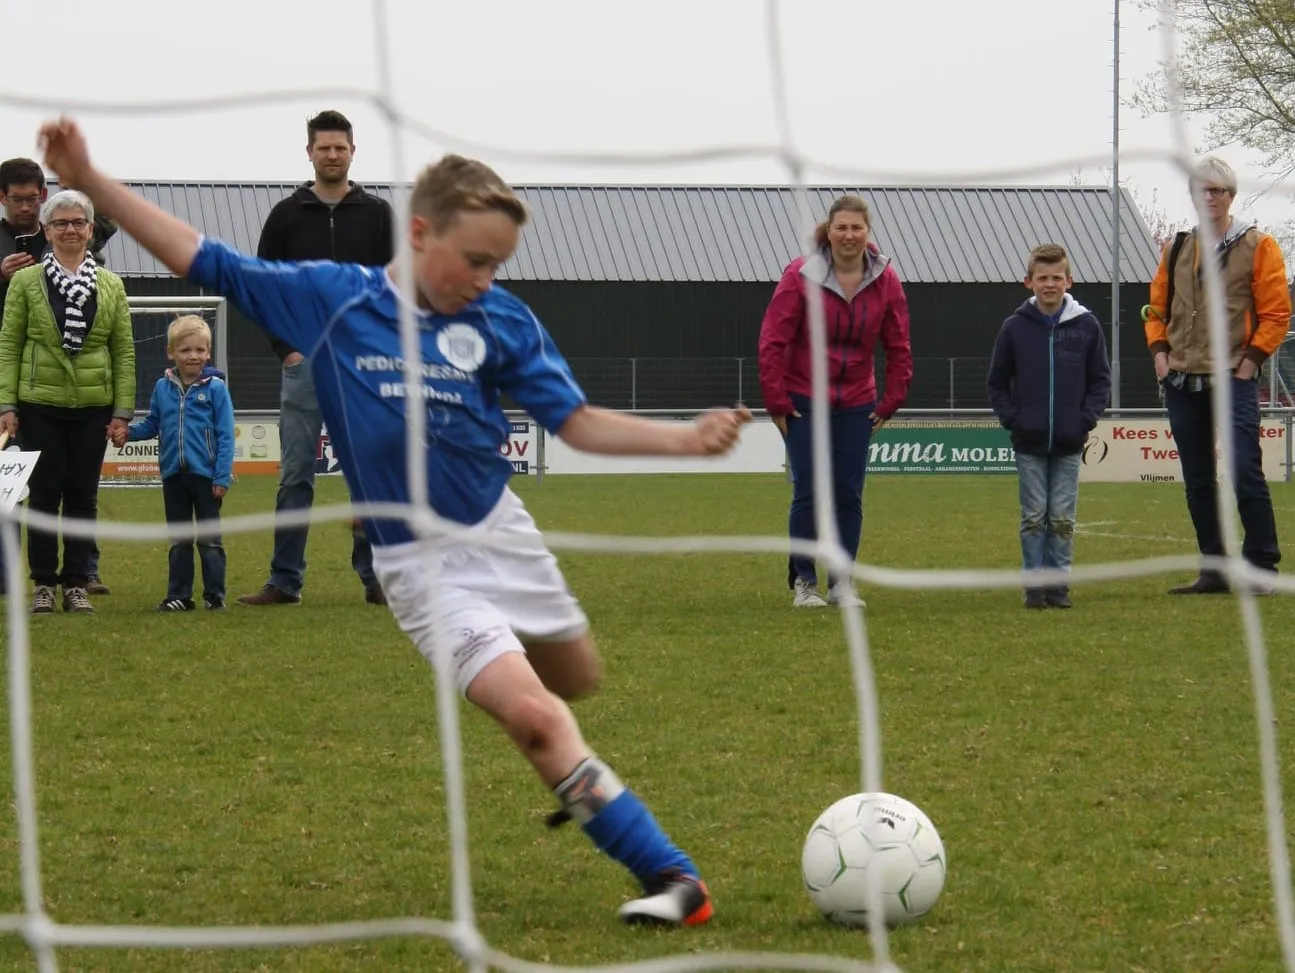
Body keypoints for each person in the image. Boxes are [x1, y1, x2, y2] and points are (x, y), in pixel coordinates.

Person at [39, 116, 749, 925]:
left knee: (576, 677)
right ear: (418, 233)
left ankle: (561, 746)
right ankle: (674, 875)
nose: (484, 279)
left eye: (497, 264)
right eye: (473, 259)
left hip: (501, 532)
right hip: (422, 568)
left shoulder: (502, 320)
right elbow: (205, 258)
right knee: (538, 718)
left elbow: (577, 423)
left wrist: (684, 439)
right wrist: (90, 182)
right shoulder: (333, 299)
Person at [239, 110, 395, 608]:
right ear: (309, 152)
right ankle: (285, 580)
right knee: (295, 475)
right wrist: (285, 347)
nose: (332, 155)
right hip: (304, 363)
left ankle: (377, 578)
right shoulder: (286, 215)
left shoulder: (379, 215)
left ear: (353, 151)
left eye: (340, 147)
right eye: (323, 147)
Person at [758, 194, 913, 610]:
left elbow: (899, 346)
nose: (849, 235)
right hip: (803, 401)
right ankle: (804, 581)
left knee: (848, 493)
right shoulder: (799, 274)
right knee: (809, 491)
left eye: (856, 227)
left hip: (857, 404)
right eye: (841, 227)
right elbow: (773, 339)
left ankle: (841, 582)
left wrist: (890, 401)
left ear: (868, 232)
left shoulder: (886, 279)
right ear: (829, 231)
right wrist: (776, 400)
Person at [1144, 156, 1291, 595]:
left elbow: (1277, 314)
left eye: (1218, 190)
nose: (1210, 197)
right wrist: (1160, 354)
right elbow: (1155, 309)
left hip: (1233, 377)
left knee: (1245, 471)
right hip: (1182, 379)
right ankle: (1214, 570)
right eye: (1202, 190)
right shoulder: (1176, 247)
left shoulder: (1258, 245)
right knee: (1198, 480)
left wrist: (1250, 362)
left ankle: (1260, 567)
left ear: (1231, 196)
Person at [0, 188, 135, 615]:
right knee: (42, 496)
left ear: (91, 229)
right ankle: (43, 583)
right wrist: (6, 404)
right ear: (46, 230)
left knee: (82, 497)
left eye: (78, 222)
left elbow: (123, 351)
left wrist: (122, 411)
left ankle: (76, 583)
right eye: (60, 223)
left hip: (94, 407)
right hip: (38, 404)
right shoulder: (25, 282)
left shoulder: (111, 285)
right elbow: (9, 344)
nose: (70, 230)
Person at [986, 243, 1111, 609]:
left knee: (1061, 518)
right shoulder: (1014, 328)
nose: (1050, 284)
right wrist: (1014, 420)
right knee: (1033, 516)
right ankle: (1033, 587)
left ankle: (1058, 587)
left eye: (1057, 277)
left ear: (1069, 281)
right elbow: (997, 382)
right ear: (1029, 282)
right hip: (1029, 441)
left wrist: (1084, 419)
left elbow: (1100, 381)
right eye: (1042, 278)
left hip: (1070, 441)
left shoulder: (1087, 326)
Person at [115, 315, 234, 612]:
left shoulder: (216, 389)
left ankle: (215, 596)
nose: (193, 355)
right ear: (171, 352)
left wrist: (221, 477)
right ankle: (179, 596)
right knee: (179, 540)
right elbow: (153, 424)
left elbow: (225, 436)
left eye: (199, 350)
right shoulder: (162, 387)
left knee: (209, 540)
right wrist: (128, 433)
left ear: (208, 352)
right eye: (185, 350)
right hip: (173, 476)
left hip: (207, 478)